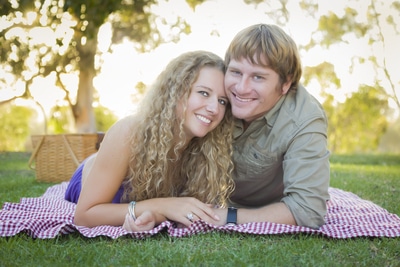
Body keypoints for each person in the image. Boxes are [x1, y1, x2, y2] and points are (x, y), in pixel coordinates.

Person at [65, 50, 235, 231]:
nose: (214, 108)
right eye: (203, 93)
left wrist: (157, 213)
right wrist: (162, 206)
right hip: (91, 177)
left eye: (222, 101)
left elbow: (177, 210)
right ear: (176, 91)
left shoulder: (208, 149)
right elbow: (84, 216)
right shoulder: (128, 132)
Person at [212, 23, 330, 229]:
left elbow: (307, 211)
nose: (241, 88)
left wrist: (229, 217)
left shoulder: (304, 119)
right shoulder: (213, 93)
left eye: (258, 77)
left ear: (285, 83)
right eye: (236, 72)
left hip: (268, 208)